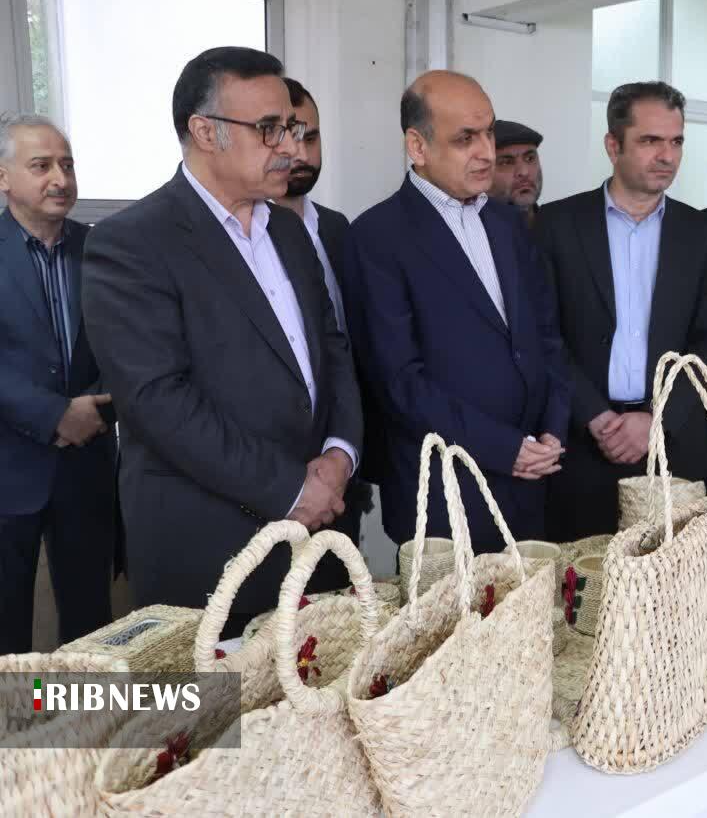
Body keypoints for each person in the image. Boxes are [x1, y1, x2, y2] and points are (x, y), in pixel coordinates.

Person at [82, 47, 363, 635]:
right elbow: (159, 401)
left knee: (319, 686)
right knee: (216, 696)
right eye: (270, 129)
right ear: (205, 132)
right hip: (211, 552)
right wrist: (292, 488)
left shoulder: (287, 230)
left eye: (292, 128)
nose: (291, 148)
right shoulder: (131, 243)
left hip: (318, 537)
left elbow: (333, 351)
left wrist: (340, 454)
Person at [342, 71, 570, 554]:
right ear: (417, 146)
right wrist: (505, 449)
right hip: (445, 492)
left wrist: (554, 427)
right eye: (465, 139)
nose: (486, 152)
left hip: (533, 479)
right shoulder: (376, 237)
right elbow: (399, 383)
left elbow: (546, 338)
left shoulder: (507, 223)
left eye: (488, 133)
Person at [537, 81, 707, 539]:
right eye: (650, 141)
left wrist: (656, 418)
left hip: (674, 447)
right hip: (582, 446)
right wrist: (595, 415)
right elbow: (542, 335)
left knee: (673, 575)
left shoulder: (701, 233)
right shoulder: (556, 225)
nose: (667, 155)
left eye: (676, 141)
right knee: (583, 575)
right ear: (613, 145)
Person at [0, 114, 115, 654]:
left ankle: (81, 711)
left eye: (67, 165)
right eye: (41, 166)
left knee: (91, 626)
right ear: (4, 177)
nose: (60, 179)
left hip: (87, 465)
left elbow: (131, 345)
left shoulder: (104, 250)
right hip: (9, 465)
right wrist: (55, 415)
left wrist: (97, 410)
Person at [272, 76, 377, 538]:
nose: (300, 153)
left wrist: (346, 452)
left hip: (344, 452)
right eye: (286, 136)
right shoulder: (244, 239)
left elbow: (349, 344)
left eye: (311, 138)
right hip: (276, 467)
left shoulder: (336, 228)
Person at [490, 119, 544, 230]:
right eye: (506, 163)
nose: (524, 172)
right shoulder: (470, 235)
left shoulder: (564, 227)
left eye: (530, 158)